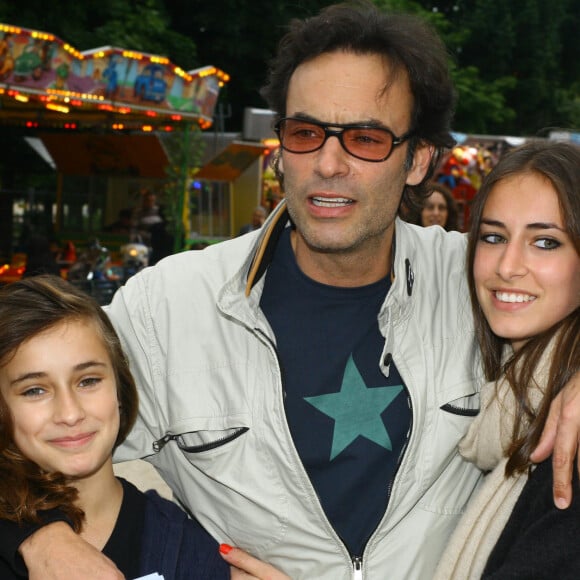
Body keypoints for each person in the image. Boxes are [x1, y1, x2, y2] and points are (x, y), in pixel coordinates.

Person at [2, 3, 580, 580]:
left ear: (418, 160)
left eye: (365, 139)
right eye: (305, 133)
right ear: (280, 148)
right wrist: (36, 534)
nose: (328, 164)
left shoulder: (480, 282)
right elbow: (30, 412)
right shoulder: (169, 309)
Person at [0, 275, 230, 580]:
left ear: (120, 390)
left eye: (88, 381)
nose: (70, 414)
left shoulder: (191, 552)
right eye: (34, 390)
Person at [434, 140, 580, 579]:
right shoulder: (508, 398)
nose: (508, 265)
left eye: (545, 242)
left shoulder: (568, 444)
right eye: (493, 237)